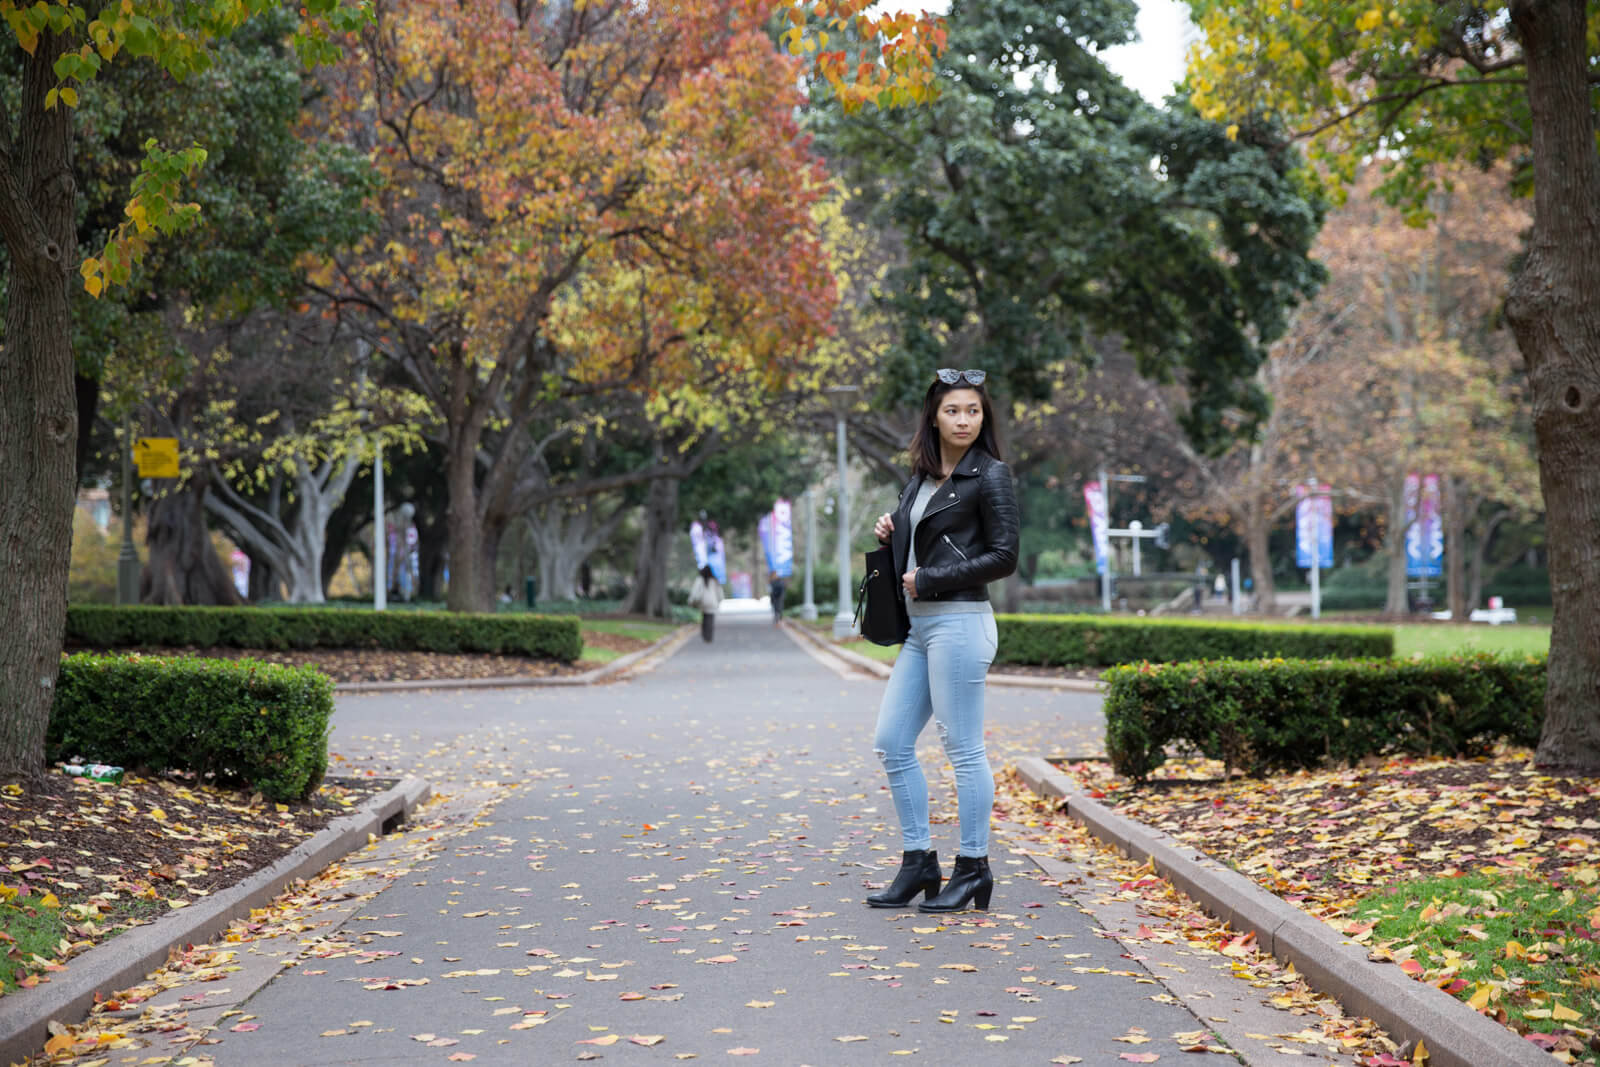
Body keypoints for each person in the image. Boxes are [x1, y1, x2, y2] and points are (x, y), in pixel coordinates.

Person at [866, 368, 1019, 913]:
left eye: (973, 411)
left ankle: (973, 867)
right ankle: (919, 862)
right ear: (934, 415)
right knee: (891, 742)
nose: (964, 421)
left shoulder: (990, 474)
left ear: (984, 417)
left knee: (962, 748)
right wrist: (895, 529)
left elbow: (1004, 556)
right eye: (953, 410)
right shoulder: (919, 477)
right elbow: (929, 538)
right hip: (920, 630)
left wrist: (928, 578)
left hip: (960, 622)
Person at [689, 565, 722, 642]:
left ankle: (705, 635)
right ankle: (709, 636)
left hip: (703, 602)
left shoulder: (700, 579)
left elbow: (695, 591)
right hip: (713, 602)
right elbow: (719, 592)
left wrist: (691, 601)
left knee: (704, 618)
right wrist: (719, 600)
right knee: (710, 619)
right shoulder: (715, 580)